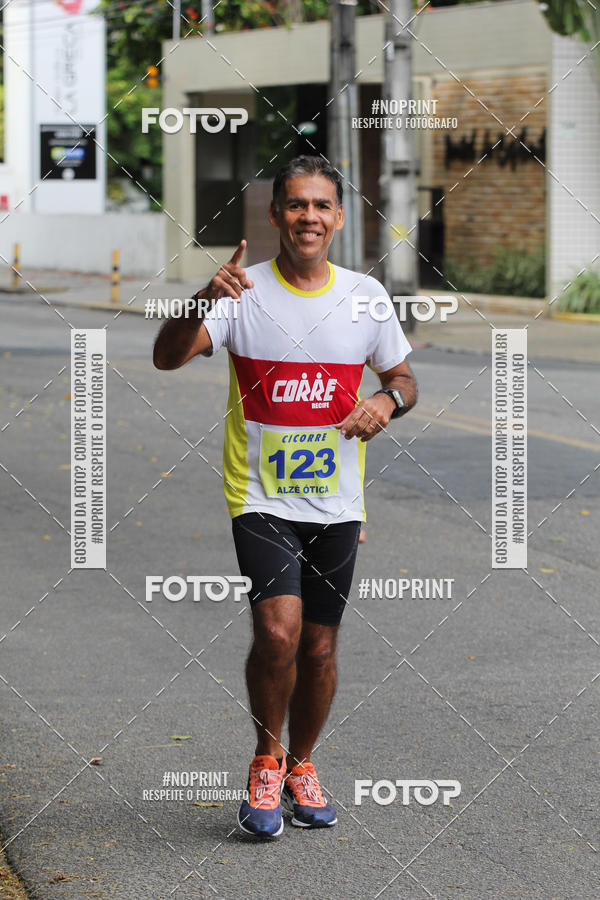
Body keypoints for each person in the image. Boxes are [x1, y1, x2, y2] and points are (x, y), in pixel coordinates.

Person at [153, 155, 417, 838]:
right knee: (278, 634)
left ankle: (303, 764)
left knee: (320, 649)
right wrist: (203, 297)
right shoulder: (241, 293)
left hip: (337, 503)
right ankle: (266, 761)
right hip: (260, 497)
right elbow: (166, 356)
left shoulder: (365, 296)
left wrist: (386, 401)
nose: (309, 217)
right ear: (275, 215)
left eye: (321, 205)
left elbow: (404, 379)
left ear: (339, 217)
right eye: (296, 204)